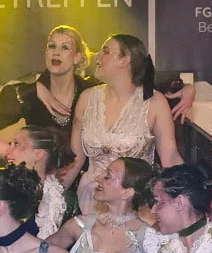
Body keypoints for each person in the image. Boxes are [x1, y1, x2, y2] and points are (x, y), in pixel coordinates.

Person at [67, 34, 184, 214]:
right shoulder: (87, 98)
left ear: (125, 60)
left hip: (133, 203)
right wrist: (51, 195)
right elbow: (76, 159)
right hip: (91, 199)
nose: (97, 56)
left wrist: (187, 196)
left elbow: (170, 158)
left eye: (106, 51)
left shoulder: (154, 102)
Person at [0, 25, 98, 131]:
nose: (56, 52)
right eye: (52, 46)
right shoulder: (30, 94)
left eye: (65, 48)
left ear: (77, 57)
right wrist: (35, 89)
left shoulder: (91, 91)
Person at [0, 124, 75, 239]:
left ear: (38, 154)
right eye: (10, 144)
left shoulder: (48, 200)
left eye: (17, 144)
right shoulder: (13, 183)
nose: (8, 150)